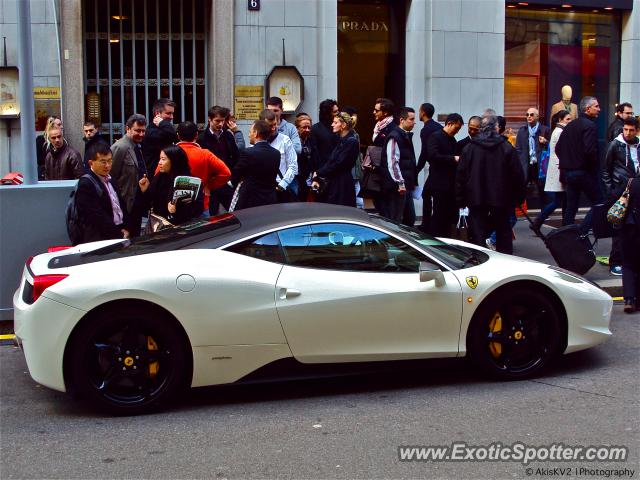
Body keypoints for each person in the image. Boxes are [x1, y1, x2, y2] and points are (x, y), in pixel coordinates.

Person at [455, 115, 526, 254]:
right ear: (496, 128)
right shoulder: (506, 148)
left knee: (478, 235)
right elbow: (517, 176)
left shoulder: (469, 149)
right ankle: (504, 262)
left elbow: (460, 177)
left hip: (476, 198)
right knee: (503, 234)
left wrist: (460, 200)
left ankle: (479, 262)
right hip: (501, 199)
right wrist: (518, 198)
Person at [555, 96, 603, 233]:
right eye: (596, 106)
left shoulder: (571, 126)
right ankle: (581, 232)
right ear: (588, 109)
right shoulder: (590, 126)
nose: (599, 109)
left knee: (571, 206)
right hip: (583, 172)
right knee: (600, 202)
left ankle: (565, 236)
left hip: (569, 173)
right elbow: (590, 151)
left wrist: (567, 162)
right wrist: (592, 168)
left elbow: (558, 148)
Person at [602, 117, 640, 276]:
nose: (628, 133)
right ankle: (615, 262)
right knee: (618, 227)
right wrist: (611, 191)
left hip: (637, 191)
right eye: (625, 129)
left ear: (636, 130)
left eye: (631, 130)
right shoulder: (615, 145)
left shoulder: (638, 145)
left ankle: (631, 261)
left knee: (635, 228)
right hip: (619, 192)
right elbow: (605, 170)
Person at [75, 142, 129, 244]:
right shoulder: (86, 184)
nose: (107, 165)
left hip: (119, 231)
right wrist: (118, 234)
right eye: (103, 162)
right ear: (91, 163)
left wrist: (126, 228)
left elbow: (121, 205)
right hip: (100, 238)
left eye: (109, 161)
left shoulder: (111, 179)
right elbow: (96, 216)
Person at [529, 110, 572, 233]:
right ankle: (540, 221)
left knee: (561, 200)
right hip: (560, 170)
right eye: (567, 119)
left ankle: (539, 222)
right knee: (560, 200)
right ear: (560, 120)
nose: (570, 121)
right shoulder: (560, 132)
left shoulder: (557, 131)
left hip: (558, 169)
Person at [175, 121, 231, 216]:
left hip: (175, 205)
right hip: (201, 204)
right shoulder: (205, 154)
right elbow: (226, 173)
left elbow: (158, 176)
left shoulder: (169, 153)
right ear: (196, 135)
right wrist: (209, 185)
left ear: (178, 136)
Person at [138, 145, 204, 225]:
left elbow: (197, 210)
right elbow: (147, 204)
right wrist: (145, 190)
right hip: (159, 225)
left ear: (174, 161)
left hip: (181, 228)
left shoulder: (189, 181)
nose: (159, 162)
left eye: (163, 159)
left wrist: (176, 211)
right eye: (160, 159)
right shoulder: (159, 177)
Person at [198, 105, 242, 214]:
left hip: (227, 182)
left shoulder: (228, 136)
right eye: (217, 121)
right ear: (209, 119)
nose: (220, 124)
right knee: (211, 216)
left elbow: (236, 157)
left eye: (222, 121)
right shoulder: (202, 138)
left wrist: (233, 179)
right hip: (211, 184)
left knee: (235, 213)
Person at [424, 113, 463, 237]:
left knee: (449, 216)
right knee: (439, 215)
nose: (457, 131)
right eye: (456, 128)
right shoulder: (435, 137)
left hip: (450, 185)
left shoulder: (452, 140)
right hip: (439, 184)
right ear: (449, 123)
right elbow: (432, 156)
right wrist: (453, 159)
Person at [111, 114, 148, 237]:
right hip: (124, 207)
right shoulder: (120, 147)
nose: (141, 134)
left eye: (143, 131)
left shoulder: (137, 146)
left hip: (136, 205)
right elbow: (111, 177)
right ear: (128, 129)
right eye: (138, 130)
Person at [312, 112, 359, 207]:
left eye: (335, 122)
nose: (332, 124)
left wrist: (319, 172)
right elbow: (332, 162)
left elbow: (338, 163)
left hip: (342, 184)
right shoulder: (342, 140)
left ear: (344, 125)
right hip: (336, 181)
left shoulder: (351, 142)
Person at [231, 119, 280, 210]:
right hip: (269, 200)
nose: (249, 135)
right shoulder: (276, 154)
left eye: (250, 132)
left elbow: (236, 175)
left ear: (256, 133)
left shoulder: (248, 153)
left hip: (250, 202)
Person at [381, 107, 417, 223]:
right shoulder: (395, 137)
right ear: (402, 120)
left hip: (406, 185)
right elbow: (393, 162)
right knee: (396, 219)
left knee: (409, 219)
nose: (414, 122)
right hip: (397, 187)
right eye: (411, 119)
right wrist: (400, 183)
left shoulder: (405, 136)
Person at [258, 109, 298, 200]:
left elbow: (293, 166)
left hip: (280, 187)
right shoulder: (256, 141)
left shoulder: (285, 140)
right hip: (262, 189)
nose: (273, 128)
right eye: (270, 126)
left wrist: (282, 184)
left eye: (275, 124)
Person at [416, 103, 443, 232]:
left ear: (423, 113)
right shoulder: (438, 127)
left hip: (435, 167)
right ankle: (432, 222)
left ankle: (427, 224)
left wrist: (416, 169)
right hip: (440, 166)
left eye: (419, 111)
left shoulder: (426, 130)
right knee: (433, 195)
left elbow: (424, 152)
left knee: (427, 193)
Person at [515, 107, 550, 204]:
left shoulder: (544, 130)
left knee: (542, 189)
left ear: (537, 116)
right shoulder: (522, 131)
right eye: (527, 115)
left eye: (531, 115)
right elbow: (518, 148)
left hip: (539, 165)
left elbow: (552, 147)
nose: (529, 117)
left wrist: (546, 141)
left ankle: (544, 212)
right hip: (526, 164)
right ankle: (520, 211)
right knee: (521, 188)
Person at [370, 97, 397, 215]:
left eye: (377, 110)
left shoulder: (392, 128)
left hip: (386, 173)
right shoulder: (378, 126)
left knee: (386, 207)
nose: (374, 112)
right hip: (378, 172)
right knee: (378, 202)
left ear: (385, 112)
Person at [142, 98, 178, 175]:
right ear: (157, 113)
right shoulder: (151, 131)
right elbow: (173, 135)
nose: (172, 117)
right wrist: (163, 123)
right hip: (155, 174)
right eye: (168, 113)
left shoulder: (164, 128)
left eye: (172, 113)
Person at [620, 177, 640, 313]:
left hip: (630, 229)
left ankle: (629, 300)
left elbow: (612, 197)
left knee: (628, 265)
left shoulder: (631, 183)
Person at [309, 99, 340, 174]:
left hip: (338, 171)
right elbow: (315, 154)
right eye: (335, 112)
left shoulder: (340, 128)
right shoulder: (315, 129)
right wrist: (319, 172)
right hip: (323, 171)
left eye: (338, 110)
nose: (338, 113)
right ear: (327, 114)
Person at [343, 106, 364, 209]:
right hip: (350, 171)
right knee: (355, 197)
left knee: (357, 196)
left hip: (355, 171)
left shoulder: (355, 134)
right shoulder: (350, 135)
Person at [294, 113, 313, 201]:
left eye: (309, 127)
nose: (307, 130)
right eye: (304, 127)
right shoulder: (293, 142)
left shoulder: (311, 140)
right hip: (295, 178)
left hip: (306, 179)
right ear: (297, 128)